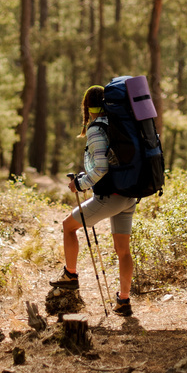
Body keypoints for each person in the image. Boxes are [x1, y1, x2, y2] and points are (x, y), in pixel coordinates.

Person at [50, 84, 136, 317]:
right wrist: (85, 178)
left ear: (88, 106)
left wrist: (79, 184)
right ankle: (124, 301)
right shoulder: (118, 125)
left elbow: (101, 167)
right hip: (129, 195)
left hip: (110, 197)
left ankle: (70, 275)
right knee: (123, 250)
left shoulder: (97, 129)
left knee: (68, 226)